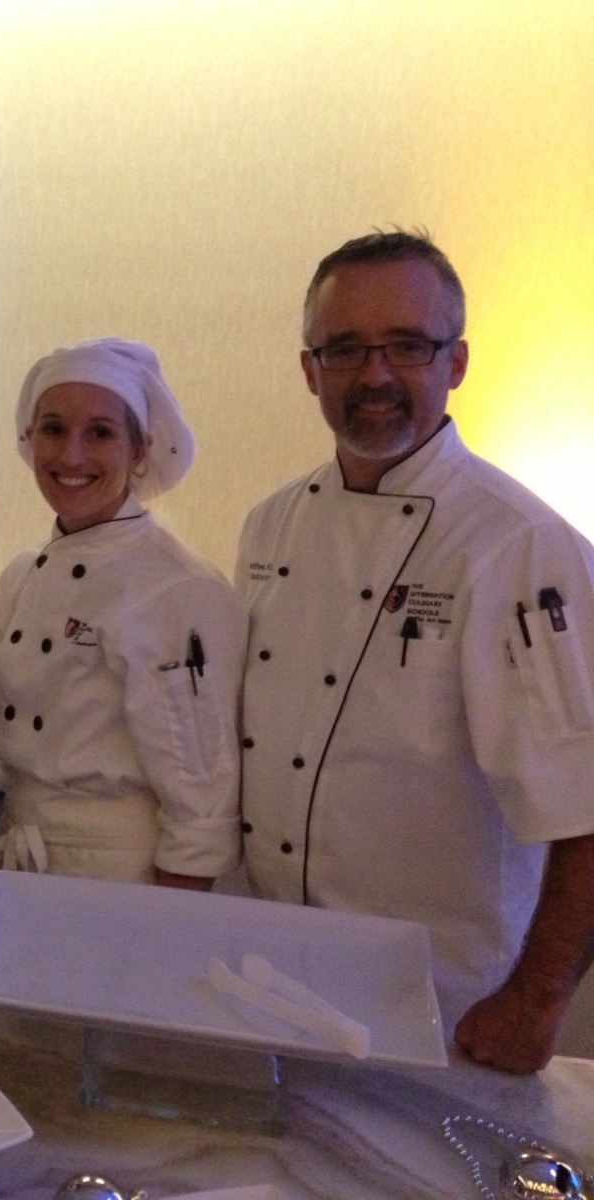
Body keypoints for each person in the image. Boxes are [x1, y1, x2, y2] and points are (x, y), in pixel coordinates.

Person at [238, 230, 594, 1073]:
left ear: (456, 361)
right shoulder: (270, 524)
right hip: (266, 984)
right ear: (310, 369)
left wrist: (538, 1000)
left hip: (444, 1008)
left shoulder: (519, 545)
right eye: (345, 349)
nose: (375, 375)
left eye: (407, 345)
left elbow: (585, 805)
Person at [0, 340, 244, 888]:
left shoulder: (179, 587)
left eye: (100, 433)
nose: (71, 456)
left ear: (139, 450)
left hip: (119, 872)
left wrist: (170, 913)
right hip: (18, 851)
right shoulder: (21, 575)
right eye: (54, 429)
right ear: (30, 438)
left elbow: (203, 800)